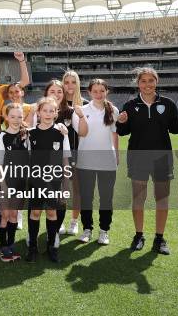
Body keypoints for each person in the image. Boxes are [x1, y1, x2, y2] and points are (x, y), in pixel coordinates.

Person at [116, 67, 178, 255]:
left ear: (156, 82)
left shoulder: (167, 104)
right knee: (138, 199)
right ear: (138, 83)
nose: (147, 84)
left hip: (162, 158)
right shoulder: (130, 105)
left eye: (151, 80)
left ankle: (159, 238)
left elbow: (174, 128)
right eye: (143, 81)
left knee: (162, 199)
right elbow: (123, 132)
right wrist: (121, 122)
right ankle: (139, 235)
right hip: (138, 157)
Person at [25, 97, 72, 263]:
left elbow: (65, 161)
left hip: (54, 181)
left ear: (56, 113)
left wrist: (66, 186)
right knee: (35, 212)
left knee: (52, 212)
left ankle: (52, 247)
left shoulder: (61, 133)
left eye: (51, 111)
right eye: (44, 110)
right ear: (38, 112)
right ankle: (32, 247)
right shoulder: (30, 134)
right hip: (36, 180)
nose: (48, 113)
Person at [74, 79, 119, 245]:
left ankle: (104, 231)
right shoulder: (80, 110)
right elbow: (82, 133)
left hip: (107, 161)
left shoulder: (113, 110)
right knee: (86, 198)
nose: (99, 94)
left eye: (102, 91)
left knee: (106, 198)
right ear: (89, 92)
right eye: (95, 91)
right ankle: (87, 229)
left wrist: (117, 155)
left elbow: (115, 134)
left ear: (106, 91)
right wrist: (80, 116)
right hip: (85, 161)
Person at [0, 103, 29, 262]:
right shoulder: (3, 137)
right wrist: (3, 185)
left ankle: (11, 244)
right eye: (12, 116)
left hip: (20, 183)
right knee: (5, 214)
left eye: (19, 116)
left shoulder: (26, 135)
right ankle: (3, 246)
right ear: (6, 117)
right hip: (5, 183)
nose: (16, 119)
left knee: (14, 214)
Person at [62, 70, 88, 235]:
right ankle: (60, 221)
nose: (70, 85)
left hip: (80, 152)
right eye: (67, 82)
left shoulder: (86, 104)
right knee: (62, 189)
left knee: (78, 190)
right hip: (61, 154)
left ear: (78, 84)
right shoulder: (57, 104)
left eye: (73, 82)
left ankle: (74, 221)